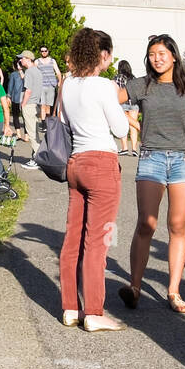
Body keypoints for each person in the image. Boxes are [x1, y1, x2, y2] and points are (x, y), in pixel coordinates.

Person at [117, 34, 185, 313]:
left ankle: (174, 291)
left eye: (162, 53)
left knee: (177, 226)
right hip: (151, 158)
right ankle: (135, 287)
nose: (157, 58)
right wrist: (133, 123)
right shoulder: (141, 85)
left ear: (174, 56)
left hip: (184, 160)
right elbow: (112, 101)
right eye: (152, 54)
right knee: (146, 224)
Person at [59, 27, 130, 331]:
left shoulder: (68, 85)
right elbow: (120, 129)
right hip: (101, 162)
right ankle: (94, 312)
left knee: (73, 237)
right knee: (97, 241)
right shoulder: (103, 86)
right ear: (103, 54)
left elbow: (64, 121)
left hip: (75, 162)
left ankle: (70, 308)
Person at [18, 50, 44, 167]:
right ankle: (35, 157)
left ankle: (38, 159)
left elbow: (28, 90)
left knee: (32, 133)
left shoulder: (29, 72)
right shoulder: (37, 71)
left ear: (28, 59)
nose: (20, 60)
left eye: (22, 58)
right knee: (35, 132)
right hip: (36, 104)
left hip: (29, 104)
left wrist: (23, 104)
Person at [115, 59, 139, 156]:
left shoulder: (117, 78)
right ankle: (134, 149)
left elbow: (116, 90)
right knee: (133, 126)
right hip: (134, 103)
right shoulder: (134, 78)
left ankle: (124, 148)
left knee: (123, 125)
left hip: (123, 103)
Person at [4, 58, 25, 151]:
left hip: (19, 97)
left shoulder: (16, 74)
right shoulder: (21, 74)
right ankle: (23, 134)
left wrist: (8, 96)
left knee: (19, 116)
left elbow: (10, 86)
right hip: (21, 98)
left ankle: (21, 134)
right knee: (21, 116)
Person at [37, 47, 62, 120]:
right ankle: (43, 123)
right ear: (40, 52)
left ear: (48, 51)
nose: (44, 52)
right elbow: (34, 73)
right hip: (41, 86)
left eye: (45, 51)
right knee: (42, 105)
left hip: (51, 85)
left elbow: (58, 72)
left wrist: (60, 81)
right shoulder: (37, 61)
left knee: (48, 106)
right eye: (42, 51)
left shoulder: (52, 61)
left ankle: (47, 123)